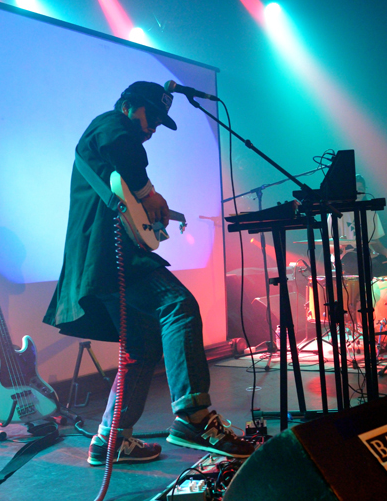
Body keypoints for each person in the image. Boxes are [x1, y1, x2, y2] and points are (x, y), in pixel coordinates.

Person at [43, 81, 254, 465]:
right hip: (106, 257)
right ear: (128, 106)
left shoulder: (113, 138)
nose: (152, 128)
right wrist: (147, 191)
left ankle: (111, 439)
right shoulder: (109, 124)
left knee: (140, 350)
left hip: (103, 261)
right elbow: (121, 147)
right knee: (179, 305)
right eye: (151, 117)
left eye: (158, 123)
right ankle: (193, 415)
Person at [330, 175, 387, 277]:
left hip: (369, 255)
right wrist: (339, 246)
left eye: (360, 189)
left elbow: (374, 241)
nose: (357, 192)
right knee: (370, 266)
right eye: (354, 190)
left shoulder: (370, 211)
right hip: (346, 257)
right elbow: (328, 245)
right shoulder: (336, 212)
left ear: (365, 190)